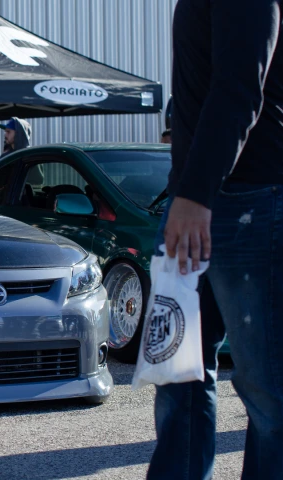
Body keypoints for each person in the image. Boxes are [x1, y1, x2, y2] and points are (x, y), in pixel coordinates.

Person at [147, 1, 283, 479]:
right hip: (199, 199)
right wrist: (185, 190)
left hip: (245, 201)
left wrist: (196, 195)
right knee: (178, 376)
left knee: (269, 396)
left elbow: (240, 84)